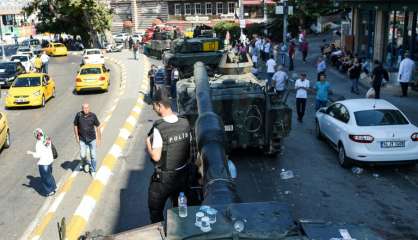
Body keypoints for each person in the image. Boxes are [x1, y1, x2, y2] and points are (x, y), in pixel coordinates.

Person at [146, 88, 191, 223]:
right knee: (181, 211)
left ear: (159, 105)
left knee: (155, 210)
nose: (153, 109)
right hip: (183, 176)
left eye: (154, 106)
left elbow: (156, 157)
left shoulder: (159, 128)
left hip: (164, 180)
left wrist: (148, 143)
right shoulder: (185, 122)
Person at [73, 103, 102, 177]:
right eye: (84, 108)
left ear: (89, 108)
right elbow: (75, 125)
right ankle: (83, 164)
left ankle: (93, 169)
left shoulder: (93, 116)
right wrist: (76, 136)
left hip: (92, 139)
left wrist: (99, 139)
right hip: (82, 139)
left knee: (93, 155)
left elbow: (98, 126)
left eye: (87, 108)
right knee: (83, 155)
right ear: (82, 109)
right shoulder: (78, 115)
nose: (85, 109)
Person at [27, 128, 57, 196]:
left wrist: (30, 153)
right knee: (49, 175)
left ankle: (50, 191)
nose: (38, 136)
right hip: (50, 161)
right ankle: (53, 187)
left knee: (45, 178)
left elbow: (38, 155)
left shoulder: (38, 143)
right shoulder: (47, 139)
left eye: (37, 135)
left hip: (44, 163)